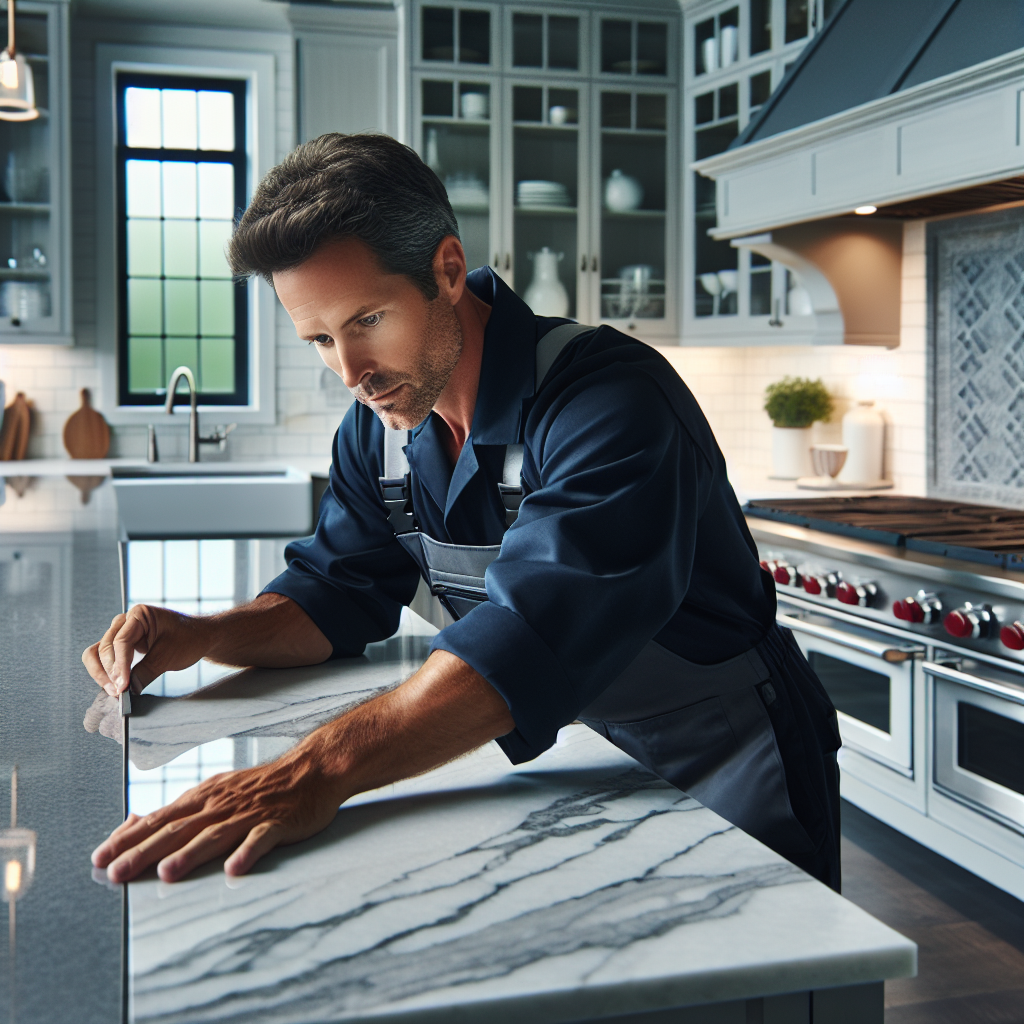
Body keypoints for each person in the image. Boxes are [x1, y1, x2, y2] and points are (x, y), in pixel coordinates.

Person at [84, 133, 841, 891]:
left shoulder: (608, 403)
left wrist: (314, 770)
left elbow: (530, 641)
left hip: (725, 755)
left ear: (447, 270)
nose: (350, 372)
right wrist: (206, 634)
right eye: (319, 338)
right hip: (577, 757)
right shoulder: (380, 431)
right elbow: (335, 597)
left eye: (368, 320)